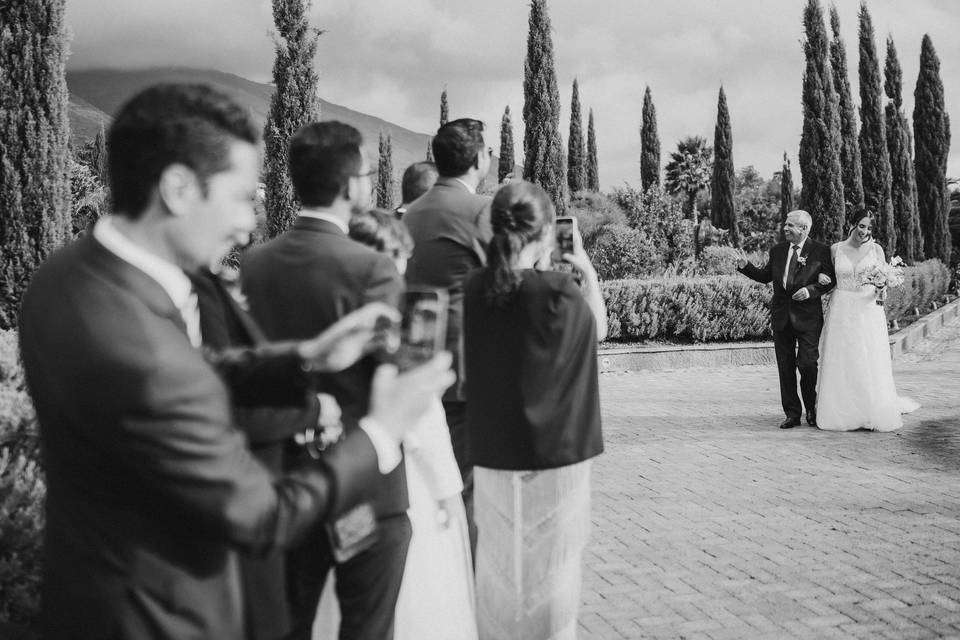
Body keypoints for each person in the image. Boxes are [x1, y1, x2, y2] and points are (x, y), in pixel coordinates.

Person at [17, 83, 454, 639]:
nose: (249, 226)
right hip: (164, 615)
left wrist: (305, 356)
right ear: (178, 188)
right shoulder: (140, 350)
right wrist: (382, 430)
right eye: (242, 197)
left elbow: (192, 370)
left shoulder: (67, 276)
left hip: (91, 587)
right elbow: (262, 516)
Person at [241, 121, 409, 640]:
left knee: (289, 626)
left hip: (283, 482)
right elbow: (394, 379)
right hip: (362, 487)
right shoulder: (375, 268)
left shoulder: (254, 264)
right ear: (351, 184)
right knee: (365, 629)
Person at [463, 181, 606, 640]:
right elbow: (599, 329)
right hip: (556, 450)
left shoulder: (474, 289)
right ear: (547, 231)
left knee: (497, 566)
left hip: (493, 445)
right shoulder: (560, 291)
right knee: (555, 570)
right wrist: (585, 269)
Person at [349, 209, 477, 640]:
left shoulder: (339, 326)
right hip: (406, 491)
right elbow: (427, 428)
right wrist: (449, 494)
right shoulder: (397, 335)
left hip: (349, 486)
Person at [402, 118, 494, 555]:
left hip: (416, 365)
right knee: (468, 488)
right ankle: (467, 586)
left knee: (427, 486)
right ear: (479, 159)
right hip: (469, 371)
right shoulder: (482, 212)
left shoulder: (410, 213)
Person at [816, 209, 920, 431]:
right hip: (841, 308)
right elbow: (829, 279)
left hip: (867, 309)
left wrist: (883, 287)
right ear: (852, 224)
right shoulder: (836, 249)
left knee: (868, 356)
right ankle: (841, 410)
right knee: (841, 357)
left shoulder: (877, 250)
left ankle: (871, 408)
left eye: (869, 228)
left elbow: (882, 284)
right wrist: (821, 278)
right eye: (861, 226)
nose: (865, 231)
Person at [737, 210, 835, 429]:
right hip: (781, 317)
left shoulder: (821, 251)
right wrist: (746, 266)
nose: (785, 228)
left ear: (804, 229)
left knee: (808, 364)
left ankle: (811, 408)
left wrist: (810, 291)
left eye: (791, 225)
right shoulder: (778, 250)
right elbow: (765, 276)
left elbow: (829, 281)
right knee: (785, 366)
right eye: (786, 225)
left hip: (809, 318)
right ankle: (792, 413)